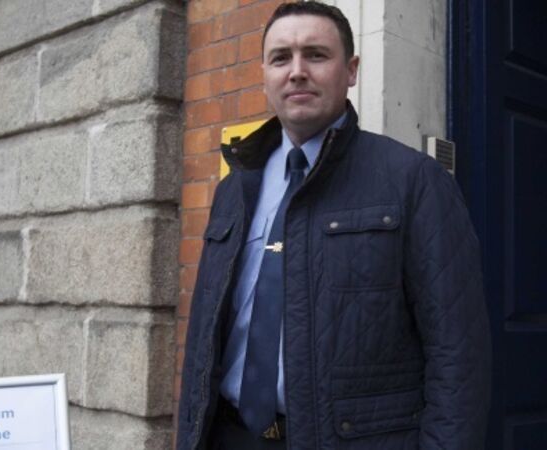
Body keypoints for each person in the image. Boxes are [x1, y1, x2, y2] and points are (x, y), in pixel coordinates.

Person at [176, 2, 491, 449]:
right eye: (281, 58)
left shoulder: (414, 181)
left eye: (316, 55)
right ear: (264, 74)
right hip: (230, 436)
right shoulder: (236, 186)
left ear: (352, 70)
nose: (297, 72)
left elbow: (458, 354)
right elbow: (203, 339)